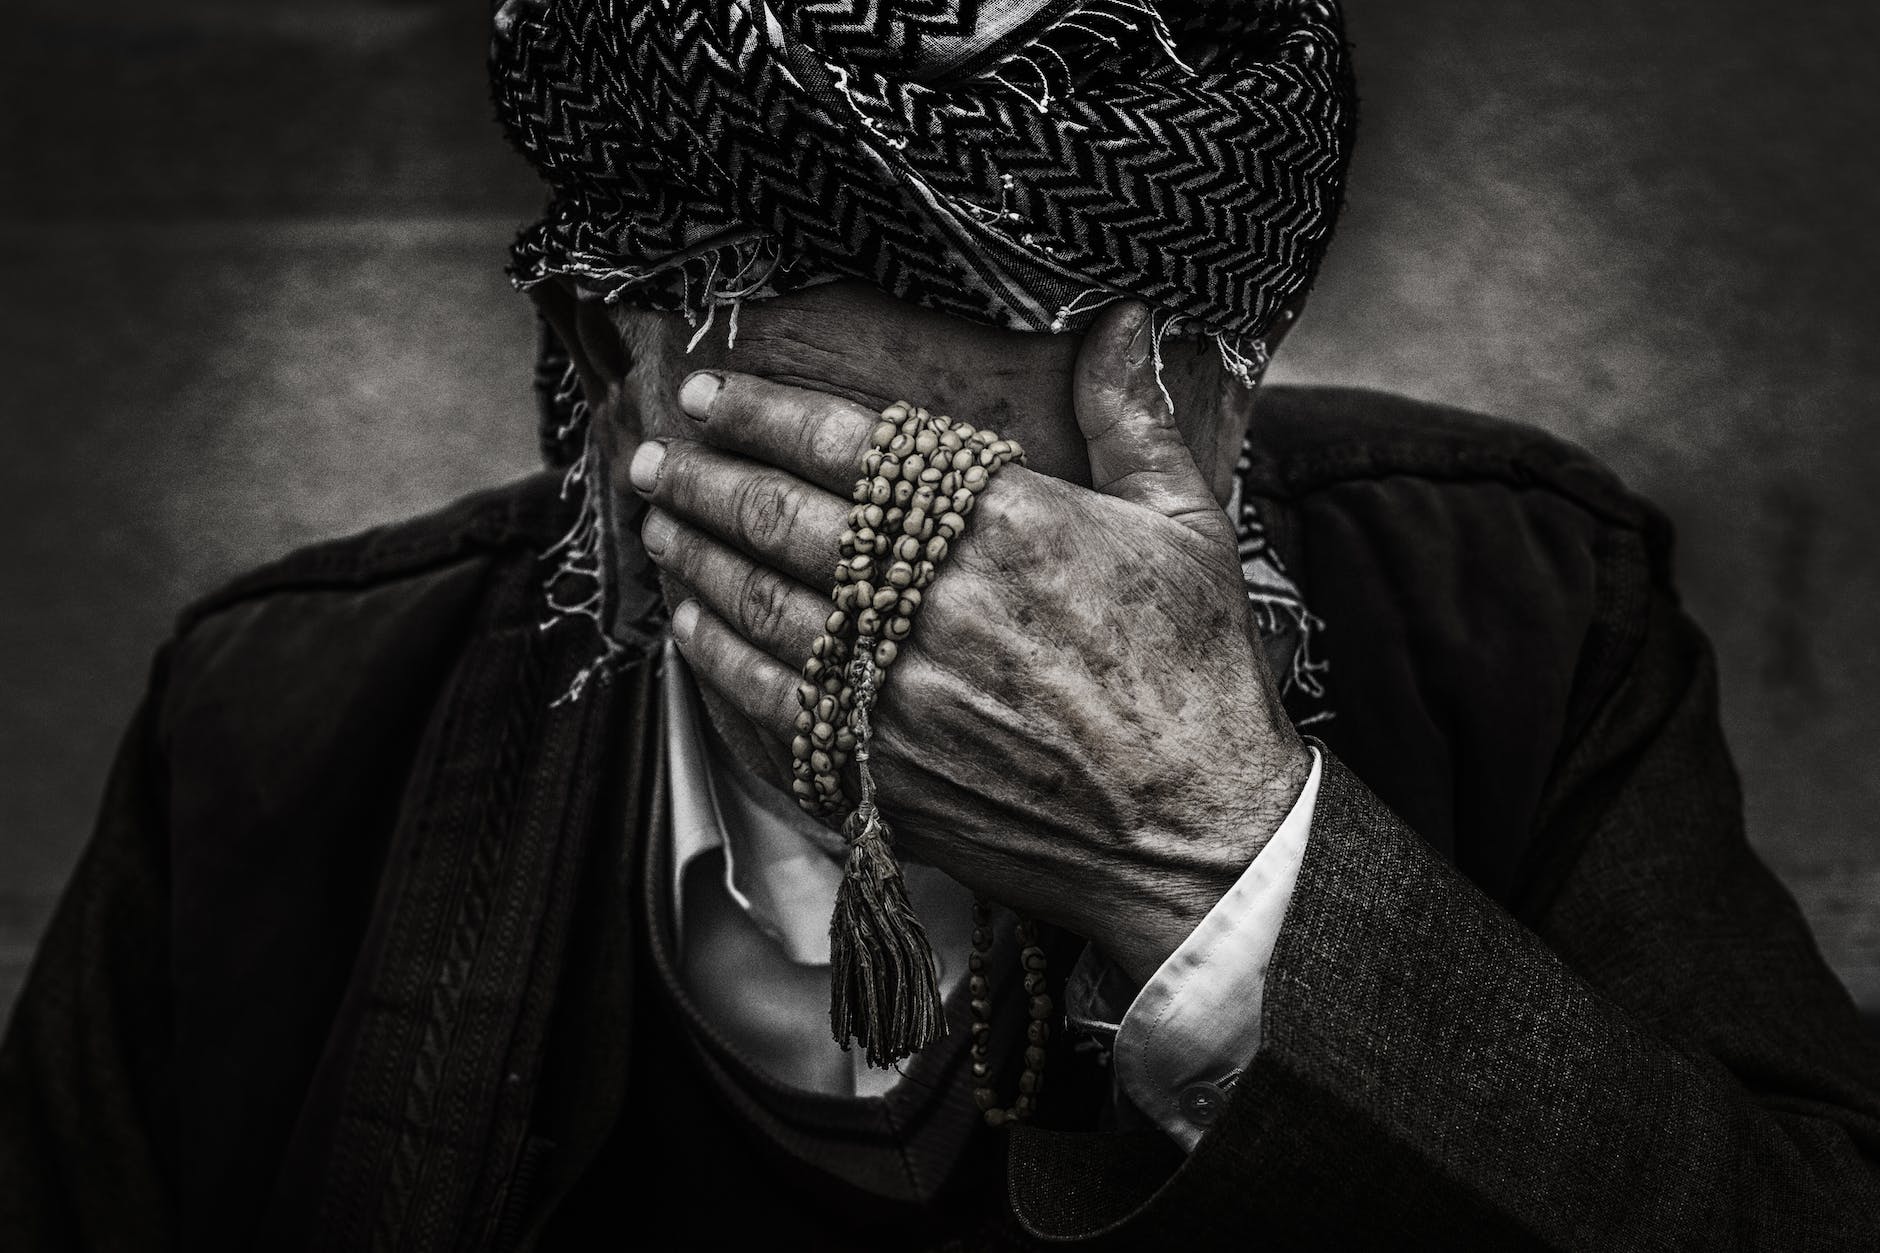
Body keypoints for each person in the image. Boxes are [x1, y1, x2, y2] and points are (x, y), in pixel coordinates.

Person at [5, 1, 1879, 1249]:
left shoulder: (1527, 613)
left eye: (1051, 497)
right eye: (857, 491)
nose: (986, 610)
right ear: (619, 374)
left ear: (1221, 415)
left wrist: (1207, 862)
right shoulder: (276, 717)